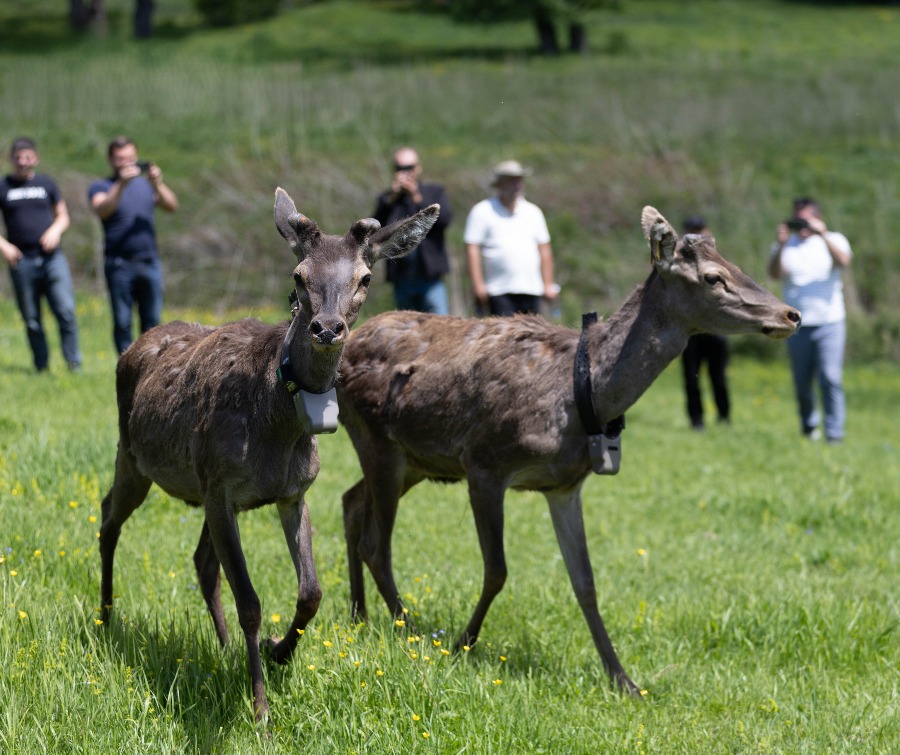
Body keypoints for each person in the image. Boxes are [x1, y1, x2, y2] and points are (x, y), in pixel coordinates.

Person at [768, 197, 852, 444]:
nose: (802, 224)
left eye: (807, 219)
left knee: (830, 377)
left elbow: (844, 262)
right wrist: (781, 244)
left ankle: (834, 433)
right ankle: (808, 427)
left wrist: (822, 235)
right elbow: (774, 273)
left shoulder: (834, 239)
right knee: (802, 380)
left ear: (818, 217)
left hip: (830, 321)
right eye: (798, 218)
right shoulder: (788, 245)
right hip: (796, 325)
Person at [89, 136, 178, 354]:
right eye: (120, 159)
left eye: (130, 157)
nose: (127, 163)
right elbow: (101, 209)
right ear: (111, 160)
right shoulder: (102, 186)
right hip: (119, 264)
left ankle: (152, 364)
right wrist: (121, 185)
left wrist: (157, 183)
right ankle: (125, 365)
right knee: (122, 320)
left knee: (153, 321)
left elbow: (171, 205)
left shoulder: (146, 186)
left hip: (149, 261)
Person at [0, 137, 82, 372]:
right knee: (32, 319)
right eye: (18, 158)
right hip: (21, 260)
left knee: (65, 311)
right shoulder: (3, 186)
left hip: (52, 259)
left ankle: (73, 364)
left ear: (35, 158)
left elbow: (63, 215)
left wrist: (55, 231)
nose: (22, 162)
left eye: (27, 157)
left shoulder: (47, 184)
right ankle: (41, 367)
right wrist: (4, 246)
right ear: (11, 159)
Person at [464, 159, 557, 316]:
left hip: (531, 288)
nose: (517, 185)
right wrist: (478, 285)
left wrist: (548, 284)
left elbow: (544, 249)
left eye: (519, 181)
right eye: (512, 181)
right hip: (498, 290)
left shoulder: (533, 212)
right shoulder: (482, 211)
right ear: (500, 184)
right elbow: (472, 249)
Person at [373, 147, 453, 314]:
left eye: (409, 168)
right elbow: (375, 229)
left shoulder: (434, 192)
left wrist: (416, 197)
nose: (405, 173)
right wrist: (392, 199)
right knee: (406, 328)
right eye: (400, 168)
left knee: (438, 325)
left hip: (430, 276)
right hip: (401, 278)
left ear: (418, 168)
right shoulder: (388, 198)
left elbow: (444, 220)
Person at [679, 215, 730, 430]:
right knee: (691, 378)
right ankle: (696, 421)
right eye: (693, 230)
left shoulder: (716, 257)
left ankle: (724, 417)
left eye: (700, 230)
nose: (697, 235)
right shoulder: (678, 258)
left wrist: (709, 247)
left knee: (718, 376)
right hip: (691, 329)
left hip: (715, 326)